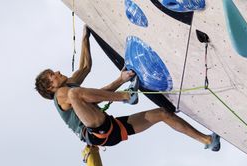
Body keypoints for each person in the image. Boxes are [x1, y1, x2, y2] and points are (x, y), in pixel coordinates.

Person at [35, 25, 220, 150]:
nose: (57, 71)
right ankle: (127, 97)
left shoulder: (69, 85)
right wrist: (121, 86)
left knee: (162, 113)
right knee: (76, 94)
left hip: (111, 129)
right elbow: (95, 97)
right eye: (53, 75)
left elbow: (85, 67)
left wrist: (85, 36)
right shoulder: (61, 95)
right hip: (97, 132)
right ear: (51, 88)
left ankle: (208, 141)